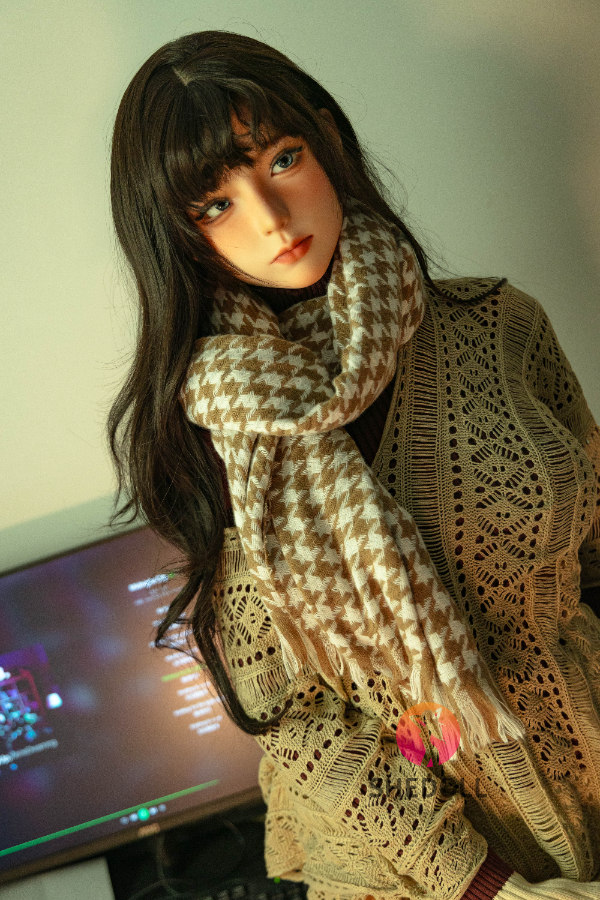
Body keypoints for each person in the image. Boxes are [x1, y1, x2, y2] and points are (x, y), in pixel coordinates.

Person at [108, 30, 600, 900]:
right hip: (410, 872)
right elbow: (296, 720)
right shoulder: (209, 432)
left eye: (282, 159)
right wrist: (486, 886)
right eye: (214, 204)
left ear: (328, 139)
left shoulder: (501, 325)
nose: (270, 217)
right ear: (176, 235)